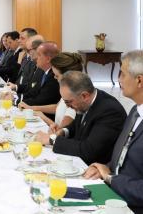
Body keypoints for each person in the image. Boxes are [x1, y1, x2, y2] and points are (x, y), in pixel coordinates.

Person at [83, 51, 143, 213]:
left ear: (139, 80)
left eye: (122, 74)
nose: (119, 79)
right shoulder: (135, 112)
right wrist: (103, 169)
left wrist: (111, 178)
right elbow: (124, 158)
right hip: (114, 195)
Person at [36, 71, 127, 165]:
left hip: (94, 169)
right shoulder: (83, 102)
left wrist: (52, 140)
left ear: (84, 96)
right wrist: (63, 131)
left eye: (68, 102)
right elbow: (76, 125)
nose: (67, 107)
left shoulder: (109, 111)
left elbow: (88, 151)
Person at [19, 52, 83, 130]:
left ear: (69, 76)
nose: (55, 78)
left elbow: (61, 131)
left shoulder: (75, 100)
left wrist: (43, 117)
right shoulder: (68, 90)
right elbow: (57, 107)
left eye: (57, 75)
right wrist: (32, 108)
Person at [20, 41, 61, 107]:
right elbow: (33, 92)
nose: (36, 58)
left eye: (39, 55)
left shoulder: (54, 77)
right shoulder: (42, 71)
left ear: (48, 59)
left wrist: (16, 100)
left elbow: (41, 101)